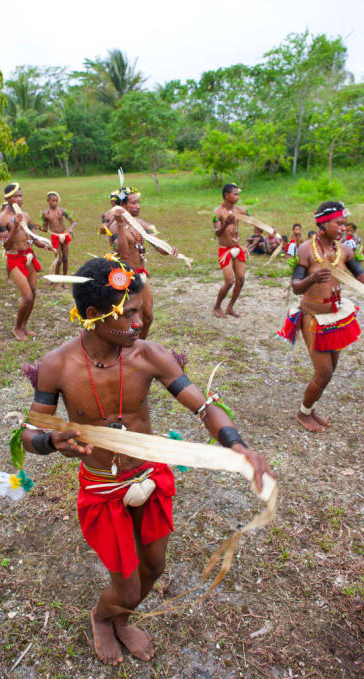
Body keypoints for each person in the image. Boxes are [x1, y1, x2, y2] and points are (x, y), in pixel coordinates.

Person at [21, 256, 274, 666]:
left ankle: (123, 619)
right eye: (131, 313)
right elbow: (28, 436)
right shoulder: (58, 366)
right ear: (93, 315)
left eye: (141, 311)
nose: (140, 323)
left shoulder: (149, 355)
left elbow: (204, 407)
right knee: (124, 587)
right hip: (103, 487)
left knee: (153, 568)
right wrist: (51, 441)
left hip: (150, 477)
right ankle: (105, 618)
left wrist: (237, 444)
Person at [277, 201, 363, 432]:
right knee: (323, 372)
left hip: (335, 317)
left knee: (330, 371)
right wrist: (312, 279)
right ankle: (302, 414)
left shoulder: (344, 250)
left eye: (345, 224)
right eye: (339, 223)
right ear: (323, 224)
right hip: (313, 317)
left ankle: (310, 409)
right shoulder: (306, 249)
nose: (343, 228)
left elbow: (360, 276)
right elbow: (296, 286)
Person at [107, 186, 177, 339]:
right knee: (130, 320)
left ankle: (140, 347)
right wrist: (120, 224)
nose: (138, 206)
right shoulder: (113, 227)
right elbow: (121, 253)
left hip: (141, 275)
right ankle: (126, 351)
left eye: (138, 202)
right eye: (133, 203)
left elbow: (159, 247)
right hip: (124, 278)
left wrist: (169, 249)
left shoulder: (142, 224)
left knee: (148, 317)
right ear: (122, 206)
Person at [0, 182, 53, 341]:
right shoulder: (3, 219)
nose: (19, 199)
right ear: (8, 198)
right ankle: (17, 328)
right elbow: (6, 245)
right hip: (14, 258)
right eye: (16, 196)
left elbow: (33, 237)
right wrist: (14, 226)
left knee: (33, 293)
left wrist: (47, 246)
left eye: (20, 195)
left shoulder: (26, 216)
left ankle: (24, 326)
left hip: (28, 255)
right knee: (27, 296)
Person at [212, 183, 248, 318]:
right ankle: (217, 306)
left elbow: (254, 221)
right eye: (235, 194)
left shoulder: (241, 210)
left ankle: (230, 307)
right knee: (229, 281)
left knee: (241, 279)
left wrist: (269, 230)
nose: (238, 197)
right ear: (227, 195)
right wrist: (226, 223)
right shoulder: (217, 212)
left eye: (238, 194)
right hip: (224, 250)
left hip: (237, 248)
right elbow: (217, 233)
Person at [41, 191, 76, 278]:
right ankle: (56, 279)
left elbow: (74, 222)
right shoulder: (45, 213)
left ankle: (65, 279)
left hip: (64, 235)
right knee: (58, 259)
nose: (55, 203)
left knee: (65, 259)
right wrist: (41, 228)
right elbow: (45, 228)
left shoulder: (62, 211)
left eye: (56, 201)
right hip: (55, 236)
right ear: (48, 201)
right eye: (52, 201)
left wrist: (71, 229)